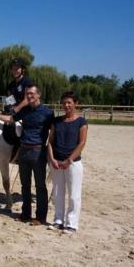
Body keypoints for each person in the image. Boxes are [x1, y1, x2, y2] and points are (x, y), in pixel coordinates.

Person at [0, 86, 54, 225]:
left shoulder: (48, 112)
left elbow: (54, 132)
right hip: (23, 151)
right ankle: (25, 214)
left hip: (38, 151)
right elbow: (10, 119)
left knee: (40, 186)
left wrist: (52, 151)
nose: (29, 96)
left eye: (32, 94)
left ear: (38, 95)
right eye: (27, 94)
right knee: (25, 185)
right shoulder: (25, 110)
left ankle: (40, 217)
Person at [47, 91, 88, 233]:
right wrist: (52, 159)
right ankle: (58, 220)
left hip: (73, 163)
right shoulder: (56, 121)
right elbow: (50, 142)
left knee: (73, 194)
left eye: (69, 102)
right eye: (64, 103)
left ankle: (72, 223)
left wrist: (69, 160)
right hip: (57, 162)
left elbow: (82, 143)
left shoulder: (81, 122)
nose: (66, 105)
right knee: (58, 193)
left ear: (76, 104)